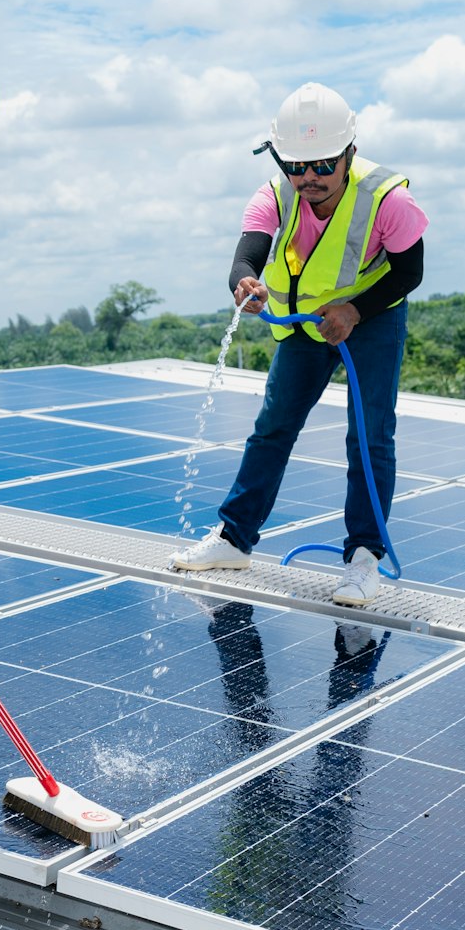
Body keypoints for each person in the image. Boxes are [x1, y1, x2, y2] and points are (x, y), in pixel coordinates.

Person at [170, 82, 426, 608]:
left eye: (322, 165)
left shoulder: (387, 197)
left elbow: (411, 270)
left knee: (370, 437)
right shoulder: (274, 193)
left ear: (349, 153)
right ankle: (234, 540)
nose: (308, 178)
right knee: (273, 428)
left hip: (372, 318)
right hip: (306, 327)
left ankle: (363, 558)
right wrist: (246, 284)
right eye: (296, 165)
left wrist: (355, 310)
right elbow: (246, 258)